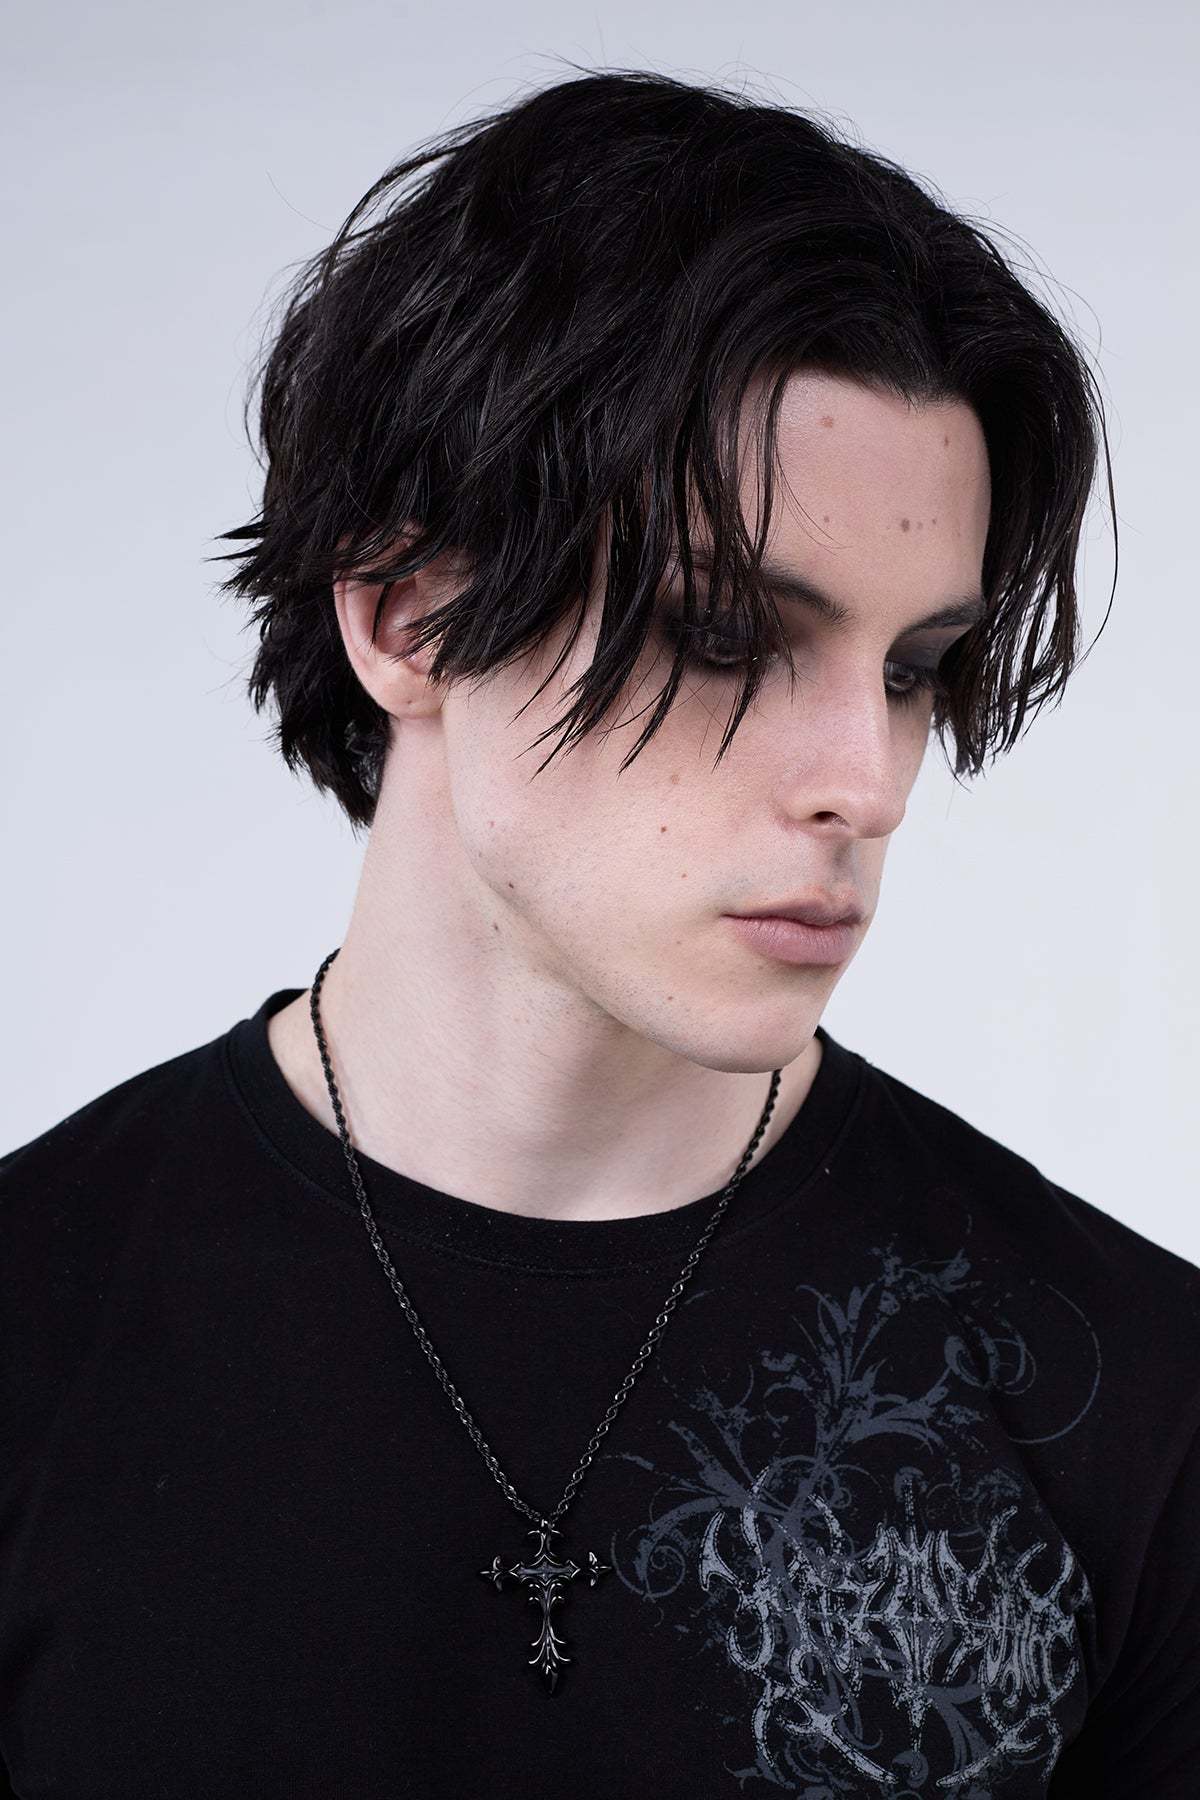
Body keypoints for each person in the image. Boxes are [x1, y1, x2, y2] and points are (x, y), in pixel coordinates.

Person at [1, 65, 1197, 1800]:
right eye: (724, 636)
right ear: (408, 612)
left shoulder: (1130, 1397)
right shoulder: (41, 1325)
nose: (866, 780)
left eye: (915, 668)